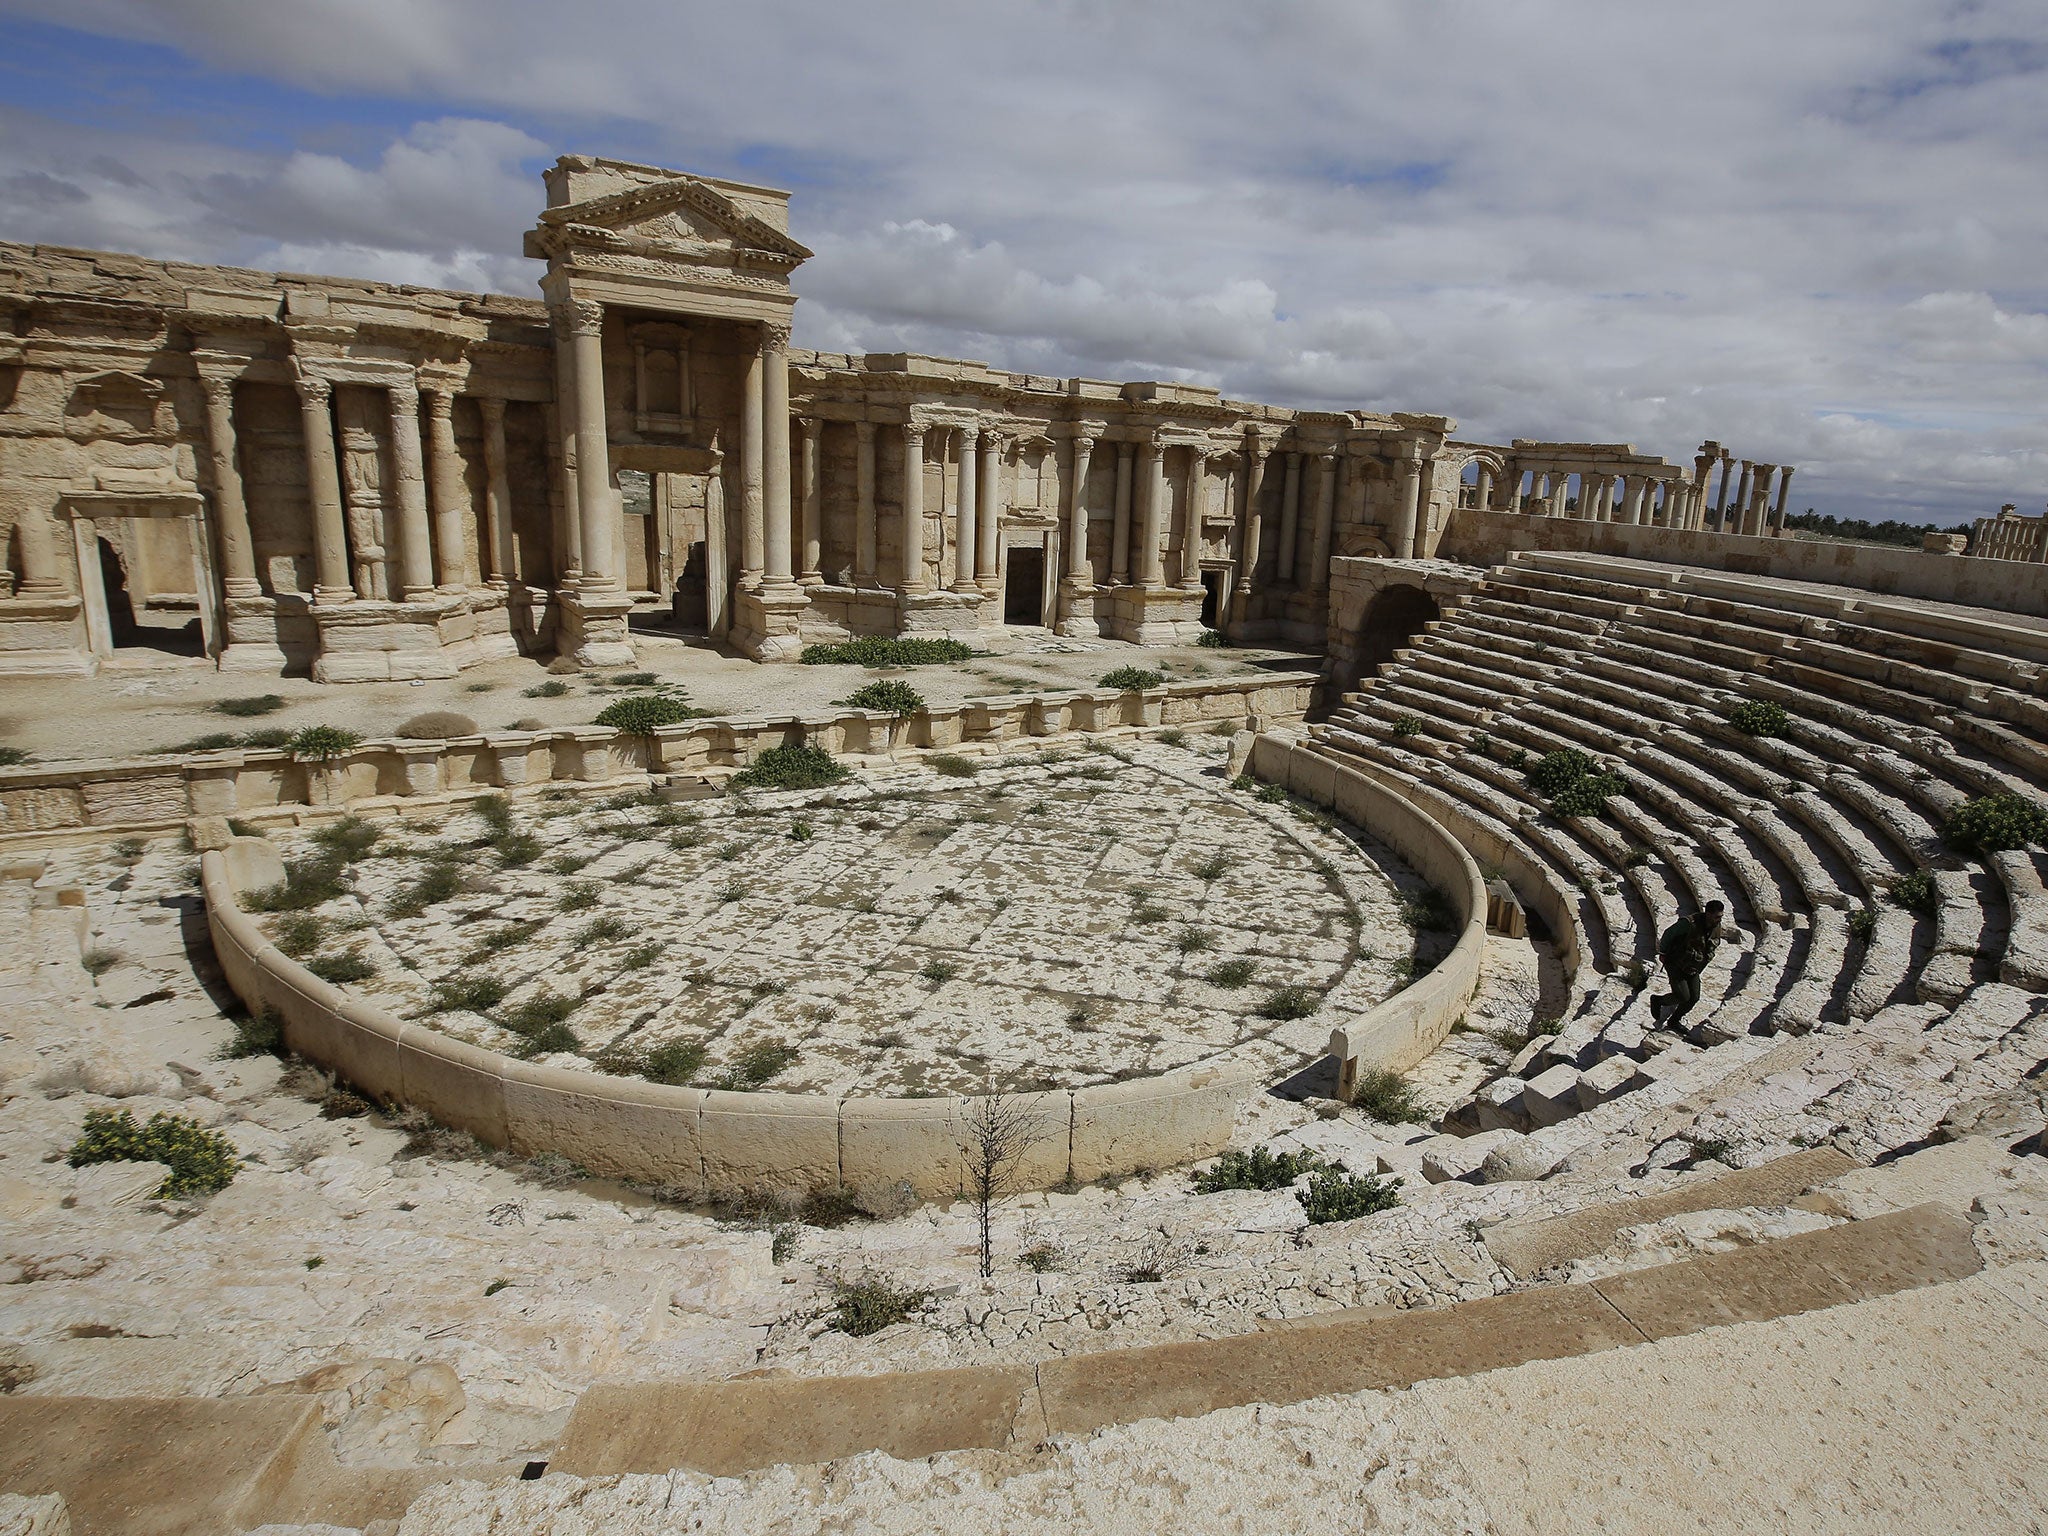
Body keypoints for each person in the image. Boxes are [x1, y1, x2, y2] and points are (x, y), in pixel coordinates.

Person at [1650, 900, 1724, 1028]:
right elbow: (1669, 934)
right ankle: (1658, 1000)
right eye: (1717, 916)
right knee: (1682, 996)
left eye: (1720, 916)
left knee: (1694, 997)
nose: (1719, 919)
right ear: (1708, 914)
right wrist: (1663, 953)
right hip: (1676, 962)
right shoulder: (1689, 923)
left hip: (1693, 966)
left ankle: (1674, 1021)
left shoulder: (1715, 926)